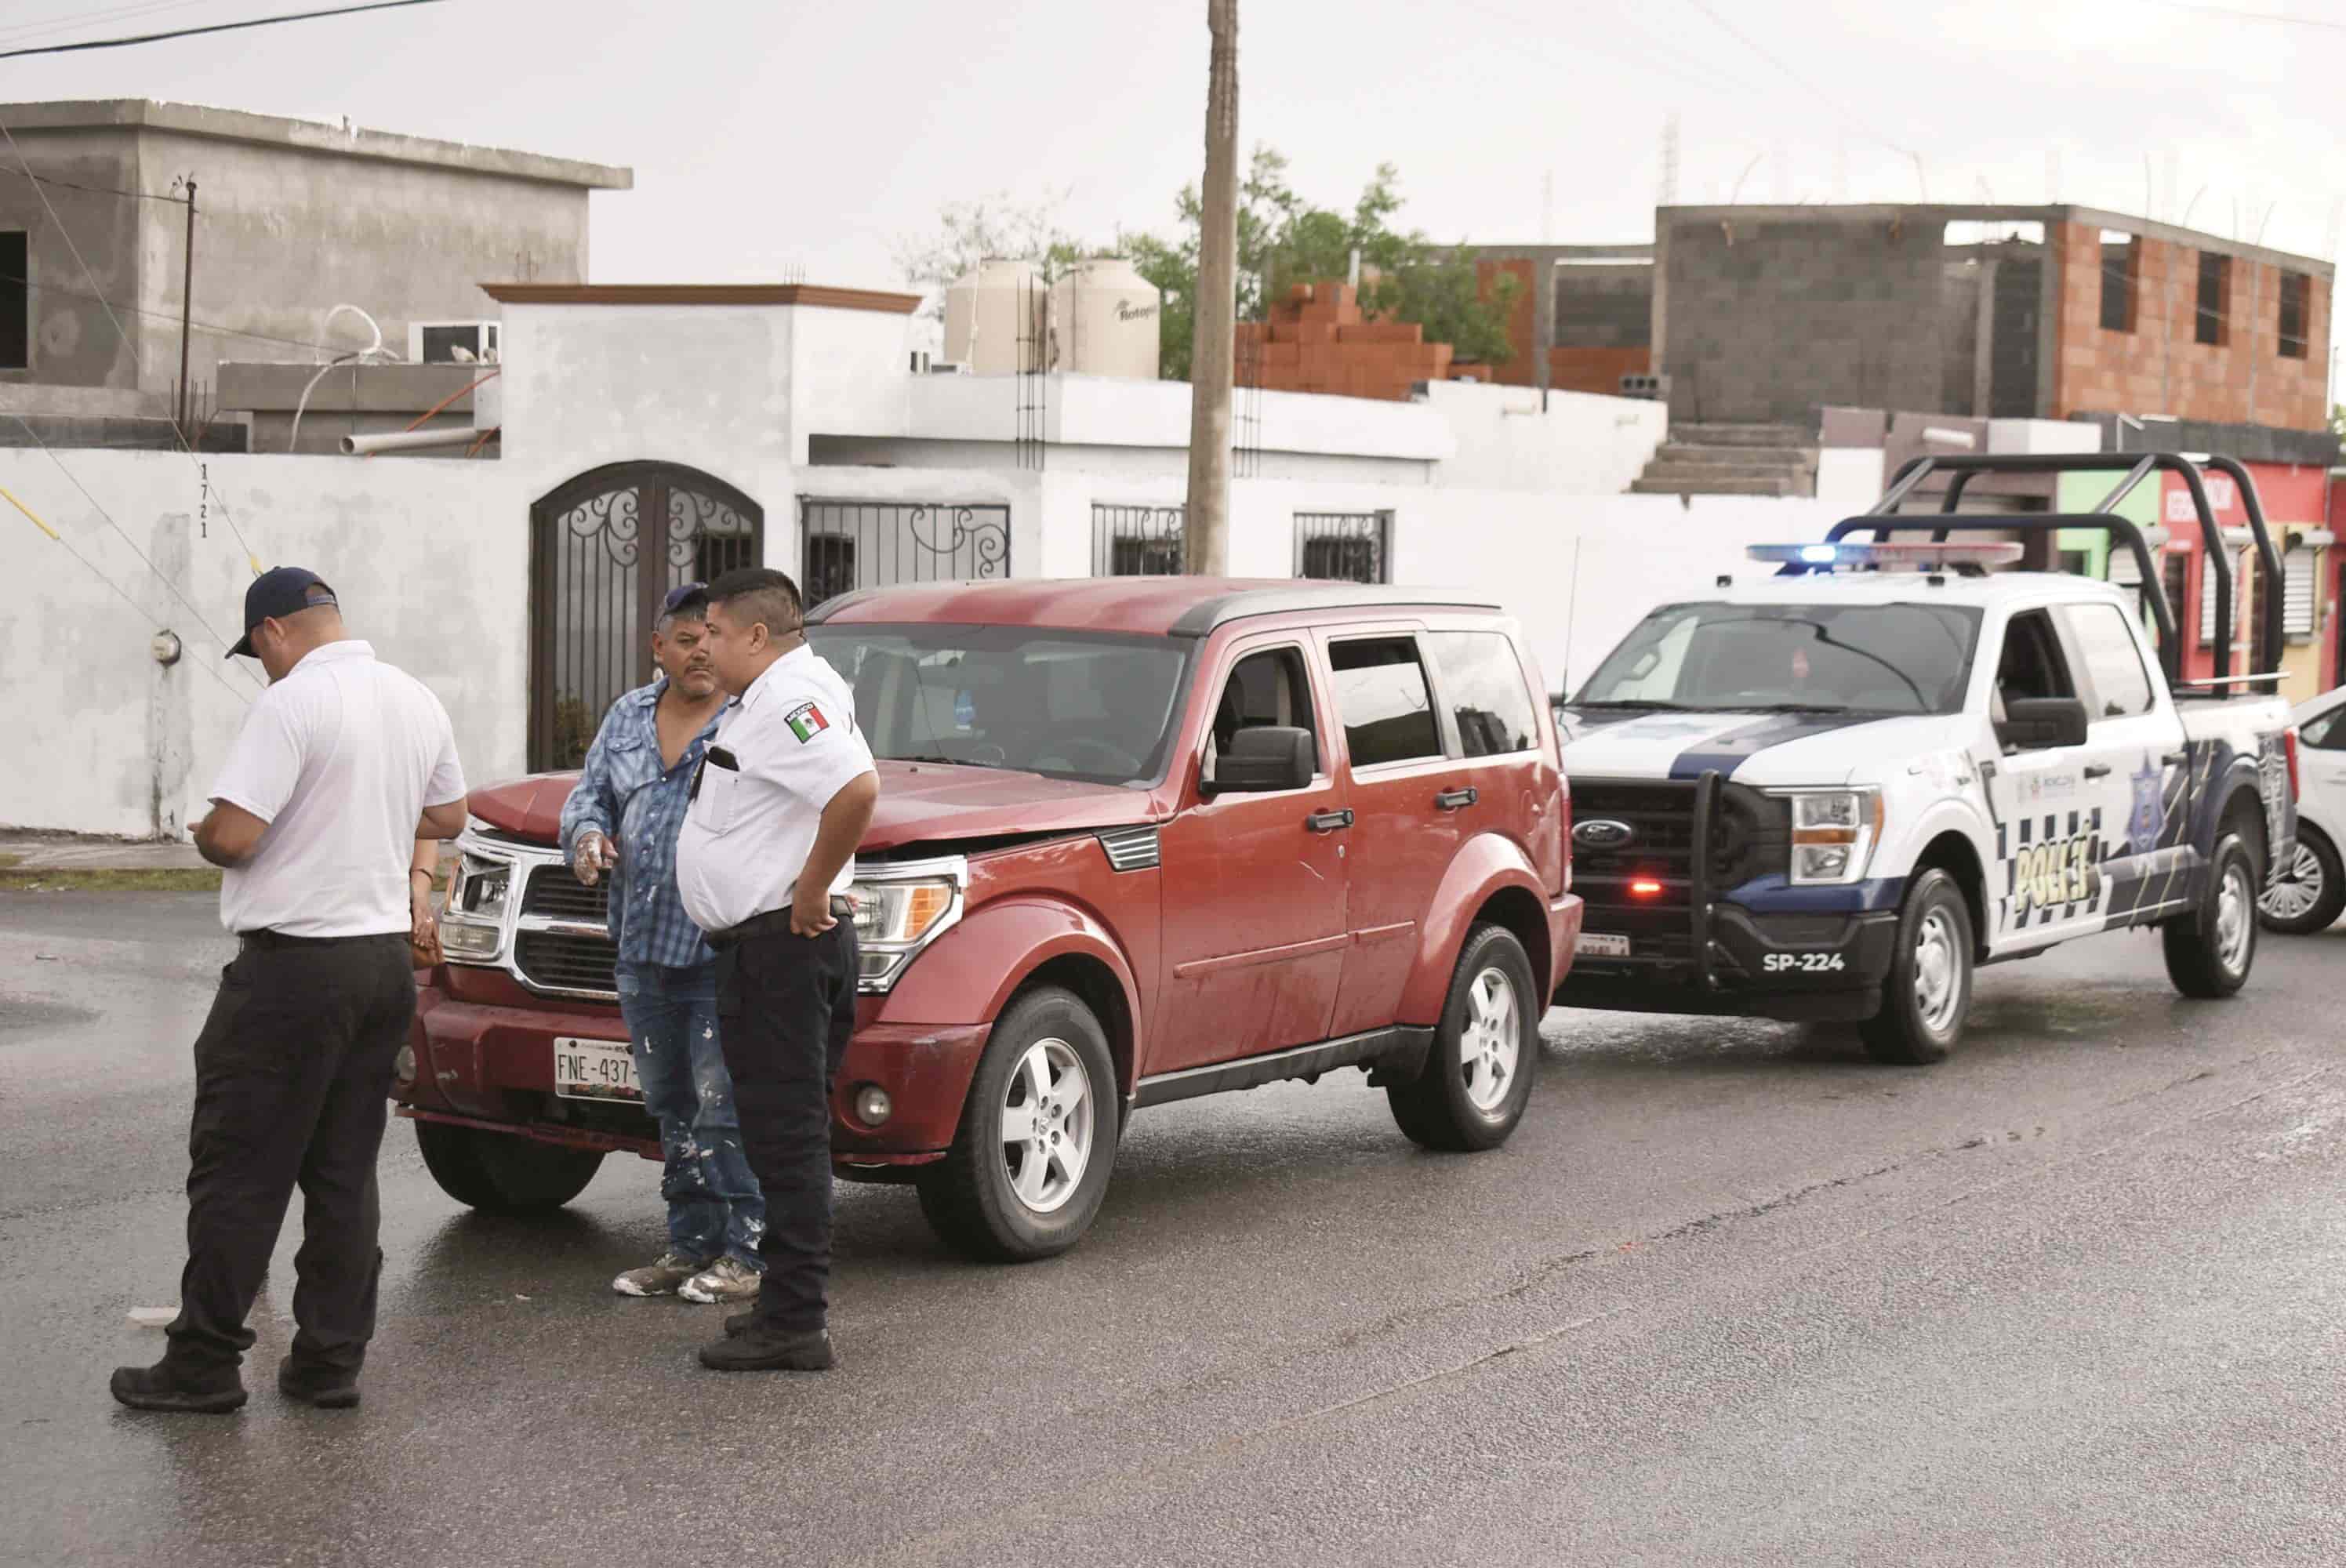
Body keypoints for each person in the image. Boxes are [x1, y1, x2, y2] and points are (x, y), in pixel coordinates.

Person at [112, 567, 466, 1414]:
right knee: (344, 1171)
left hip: (295, 965)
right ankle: (328, 1363)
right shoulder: (414, 696)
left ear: (273, 630)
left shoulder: (291, 702)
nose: (260, 666)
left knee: (240, 1170)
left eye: (257, 650)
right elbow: (448, 816)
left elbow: (235, 835)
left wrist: (205, 829)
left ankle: (202, 1364)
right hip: (381, 965)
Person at [675, 567, 878, 1374]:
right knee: (774, 1134)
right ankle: (783, 1300)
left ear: (756, 635)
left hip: (782, 951)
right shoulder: (769, 697)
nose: (702, 644)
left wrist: (811, 887)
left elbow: (856, 789)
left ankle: (796, 1321)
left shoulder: (791, 699)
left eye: (715, 632)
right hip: (765, 950)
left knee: (788, 1139)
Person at [558, 583, 765, 1305]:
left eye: (710, 637)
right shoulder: (626, 715)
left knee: (721, 1102)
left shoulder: (750, 720)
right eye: (685, 640)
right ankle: (688, 1247)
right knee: (672, 1101)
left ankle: (747, 1254)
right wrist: (585, 838)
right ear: (659, 648)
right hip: (640, 947)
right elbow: (589, 798)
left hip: (719, 952)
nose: (701, 652)